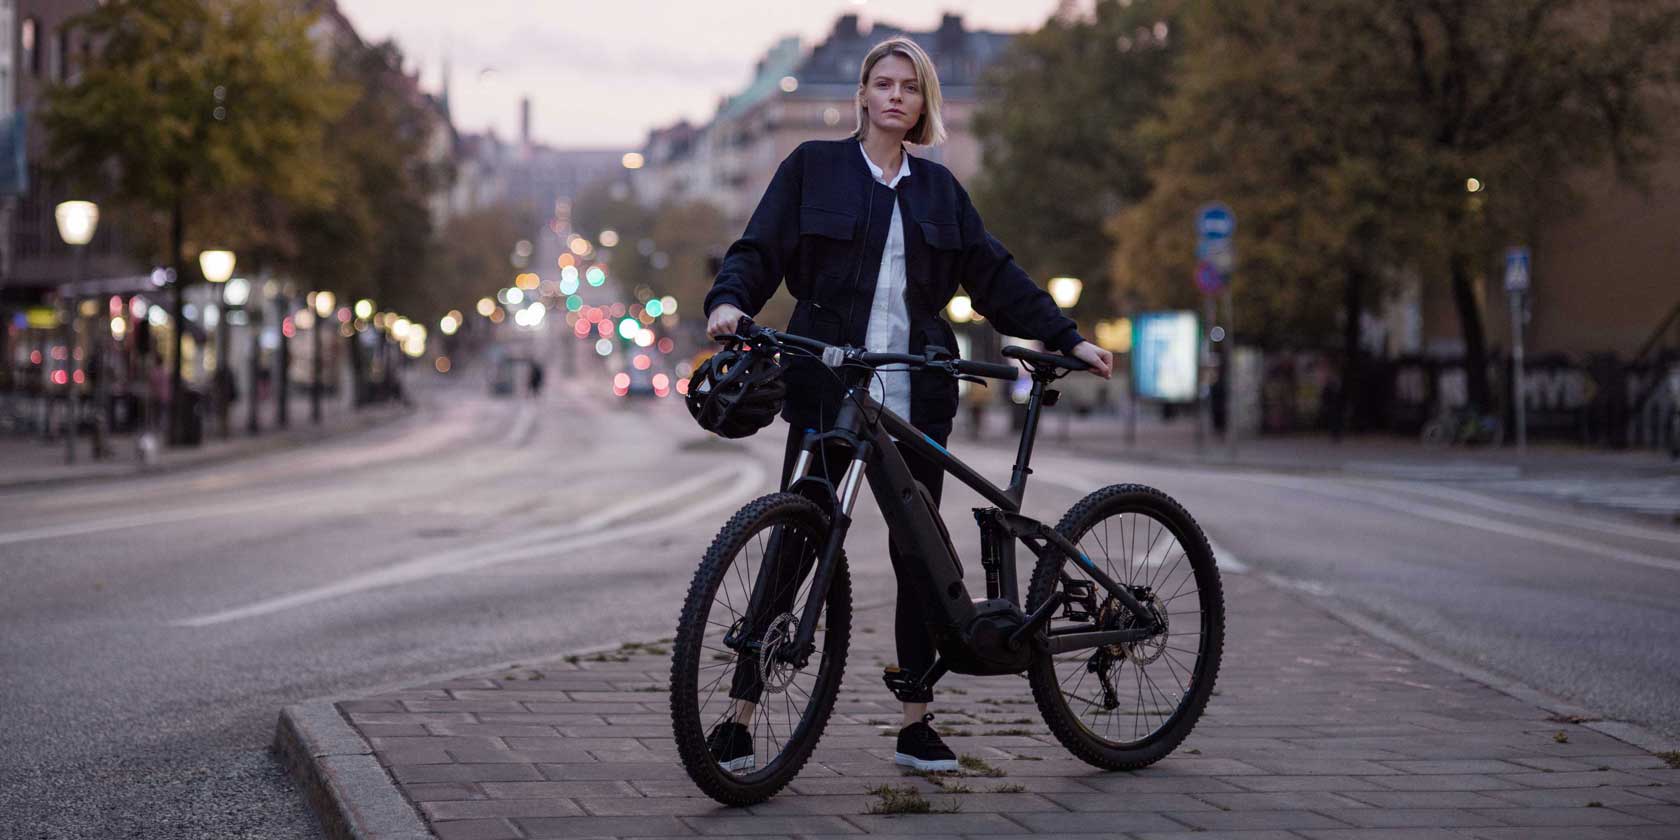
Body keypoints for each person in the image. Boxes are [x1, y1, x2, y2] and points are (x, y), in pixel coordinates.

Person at [701, 36, 1112, 773]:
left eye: (909, 87)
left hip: (916, 391)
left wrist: (1067, 338)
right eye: (883, 83)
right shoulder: (812, 168)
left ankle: (916, 721)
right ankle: (740, 714)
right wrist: (730, 302)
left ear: (923, 104)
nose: (895, 96)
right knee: (795, 543)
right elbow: (758, 247)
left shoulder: (938, 190)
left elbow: (995, 274)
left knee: (918, 554)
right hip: (829, 386)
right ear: (862, 95)